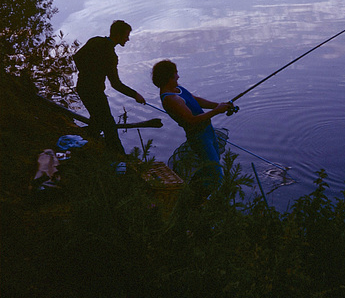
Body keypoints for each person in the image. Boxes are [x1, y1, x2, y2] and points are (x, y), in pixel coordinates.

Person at [151, 60, 231, 188]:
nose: (178, 76)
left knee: (211, 167)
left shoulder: (177, 88)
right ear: (168, 77)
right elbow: (192, 120)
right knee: (216, 174)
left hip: (208, 131)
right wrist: (217, 111)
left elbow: (196, 100)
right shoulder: (170, 99)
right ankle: (195, 200)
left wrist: (219, 105)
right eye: (175, 74)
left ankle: (193, 192)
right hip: (199, 137)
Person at [74, 20, 146, 156]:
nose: (128, 39)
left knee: (96, 120)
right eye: (126, 36)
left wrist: (85, 72)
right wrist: (135, 94)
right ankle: (119, 157)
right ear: (118, 35)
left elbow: (77, 57)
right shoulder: (111, 56)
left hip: (82, 87)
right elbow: (116, 84)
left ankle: (90, 149)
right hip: (94, 92)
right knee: (109, 126)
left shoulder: (95, 41)